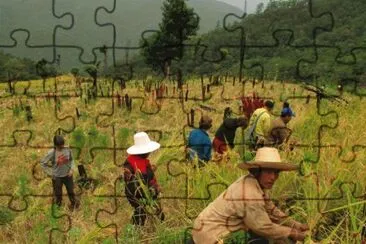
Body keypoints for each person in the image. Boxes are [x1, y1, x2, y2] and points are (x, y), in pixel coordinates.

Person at [191, 147, 309, 244]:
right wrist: (292, 233)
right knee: (262, 240)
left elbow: (272, 210)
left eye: (276, 172)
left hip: (206, 228)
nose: (273, 177)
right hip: (210, 235)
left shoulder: (254, 183)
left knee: (277, 237)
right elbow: (263, 227)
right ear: (257, 171)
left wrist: (296, 225)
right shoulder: (250, 194)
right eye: (268, 172)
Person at [123, 132, 165, 226]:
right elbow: (130, 179)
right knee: (141, 213)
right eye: (148, 151)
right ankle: (134, 231)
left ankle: (159, 226)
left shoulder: (145, 161)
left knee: (158, 211)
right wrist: (128, 174)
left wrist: (155, 187)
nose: (149, 153)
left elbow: (149, 177)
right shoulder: (129, 162)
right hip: (135, 193)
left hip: (148, 191)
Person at [40, 135, 79, 210]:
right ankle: (58, 207)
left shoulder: (67, 149)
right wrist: (51, 173)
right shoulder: (51, 153)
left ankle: (74, 205)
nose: (62, 148)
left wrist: (71, 169)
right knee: (58, 194)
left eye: (63, 145)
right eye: (60, 147)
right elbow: (42, 163)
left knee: (71, 191)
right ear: (55, 145)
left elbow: (72, 160)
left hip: (68, 175)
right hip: (57, 177)